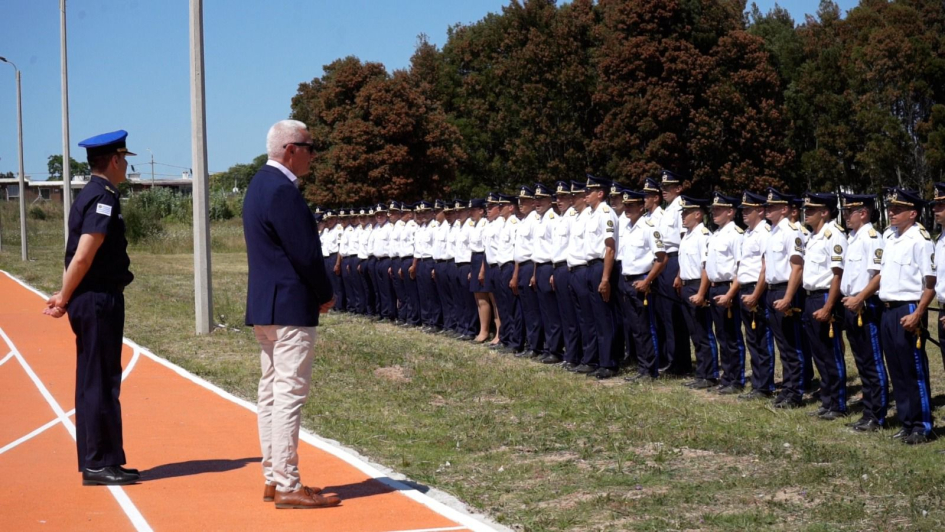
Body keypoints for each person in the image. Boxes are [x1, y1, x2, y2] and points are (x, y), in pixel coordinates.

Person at [242, 120, 339, 508]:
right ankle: (287, 484)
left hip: (268, 305)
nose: (313, 154)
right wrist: (325, 292)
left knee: (271, 393)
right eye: (310, 147)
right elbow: (304, 253)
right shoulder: (282, 190)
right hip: (289, 307)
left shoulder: (258, 185)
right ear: (290, 149)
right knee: (288, 395)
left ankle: (273, 477)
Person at [44, 130, 140, 486]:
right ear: (114, 160)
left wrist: (66, 293)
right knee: (99, 381)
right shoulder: (102, 197)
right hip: (98, 298)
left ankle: (105, 459)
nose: (127, 165)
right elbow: (84, 255)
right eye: (125, 159)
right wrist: (64, 295)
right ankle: (98, 462)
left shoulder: (94, 194)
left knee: (99, 380)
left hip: (96, 296)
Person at [878, 187, 936, 445]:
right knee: (897, 369)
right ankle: (906, 422)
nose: (892, 212)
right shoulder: (889, 236)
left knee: (913, 368)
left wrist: (919, 314)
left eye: (898, 209)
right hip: (888, 309)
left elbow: (930, 283)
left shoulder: (920, 239)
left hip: (909, 308)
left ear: (913, 213)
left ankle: (922, 426)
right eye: (891, 208)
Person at [838, 192, 887, 432]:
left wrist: (860, 298)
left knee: (872, 362)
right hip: (852, 304)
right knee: (861, 360)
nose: (846, 216)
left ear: (863, 213)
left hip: (865, 306)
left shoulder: (871, 238)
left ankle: (876, 415)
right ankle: (868, 410)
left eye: (850, 212)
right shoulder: (854, 238)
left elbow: (878, 275)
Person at [800, 192, 849, 420]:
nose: (806, 212)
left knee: (831, 354)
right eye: (806, 209)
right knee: (819, 353)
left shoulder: (834, 235)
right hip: (810, 297)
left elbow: (837, 275)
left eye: (811, 209)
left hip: (825, 297)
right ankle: (827, 400)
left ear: (825, 212)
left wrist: (829, 306)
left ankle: (838, 404)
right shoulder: (813, 236)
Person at [763, 188, 808, 409]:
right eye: (766, 207)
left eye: (771, 207)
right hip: (772, 290)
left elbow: (797, 267)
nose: (767, 210)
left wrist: (789, 297)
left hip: (785, 290)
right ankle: (788, 388)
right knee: (782, 344)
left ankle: (795, 392)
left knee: (792, 345)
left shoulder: (791, 232)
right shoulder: (771, 232)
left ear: (784, 209)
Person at [618, 189, 667, 382]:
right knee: (636, 328)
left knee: (646, 327)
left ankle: (651, 370)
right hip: (627, 281)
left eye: (631, 205)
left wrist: (647, 281)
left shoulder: (649, 227)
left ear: (641, 206)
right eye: (626, 205)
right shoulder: (628, 228)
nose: (627, 209)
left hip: (641, 281)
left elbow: (662, 259)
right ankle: (642, 367)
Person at [577, 175, 620, 379]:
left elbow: (609, 248)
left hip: (601, 267)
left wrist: (605, 278)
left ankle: (609, 362)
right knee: (591, 317)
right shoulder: (590, 214)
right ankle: (593, 359)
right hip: (589, 266)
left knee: (604, 317)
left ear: (600, 193)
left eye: (589, 191)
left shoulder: (606, 213)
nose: (585, 194)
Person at [705, 192, 747, 394]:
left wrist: (730, 294)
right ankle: (727, 376)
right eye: (713, 209)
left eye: (719, 210)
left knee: (732, 336)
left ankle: (736, 379)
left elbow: (741, 269)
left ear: (730, 212)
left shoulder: (736, 234)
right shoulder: (716, 234)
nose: (714, 213)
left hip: (728, 287)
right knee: (721, 334)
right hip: (715, 287)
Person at [736, 191, 776, 401]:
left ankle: (764, 386)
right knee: (752, 339)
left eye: (748, 210)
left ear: (760, 211)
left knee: (762, 339)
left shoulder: (764, 232)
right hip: (745, 289)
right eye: (743, 209)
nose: (744, 213)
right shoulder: (748, 233)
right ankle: (758, 384)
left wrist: (755, 294)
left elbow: (764, 267)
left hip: (756, 291)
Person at [676, 195, 717, 389]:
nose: (683, 216)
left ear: (698, 215)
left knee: (703, 332)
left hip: (697, 286)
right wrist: (678, 277)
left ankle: (709, 374)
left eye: (686, 213)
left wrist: (701, 293)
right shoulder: (687, 235)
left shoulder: (703, 235)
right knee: (694, 332)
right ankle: (701, 372)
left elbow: (705, 267)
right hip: (686, 285)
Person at [655, 169, 692, 375]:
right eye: (663, 187)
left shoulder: (681, 208)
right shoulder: (667, 209)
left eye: (668, 187)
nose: (665, 190)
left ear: (678, 188)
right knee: (666, 315)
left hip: (674, 260)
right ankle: (672, 359)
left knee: (675, 317)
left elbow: (683, 241)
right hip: (663, 260)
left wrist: (679, 273)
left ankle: (681, 362)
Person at [532, 183, 564, 363]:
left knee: (552, 313)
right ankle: (548, 346)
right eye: (536, 200)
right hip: (540, 267)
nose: (537, 203)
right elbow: (538, 250)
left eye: (541, 199)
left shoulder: (553, 219)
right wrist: (535, 273)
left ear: (549, 200)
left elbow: (555, 249)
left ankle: (556, 349)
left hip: (550, 267)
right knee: (544, 311)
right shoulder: (540, 219)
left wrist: (553, 271)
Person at [552, 181, 583, 368]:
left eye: (564, 197)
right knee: (564, 315)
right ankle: (569, 354)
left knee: (572, 316)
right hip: (558, 267)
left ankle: (574, 356)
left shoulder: (573, 217)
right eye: (558, 197)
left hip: (568, 266)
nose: (560, 200)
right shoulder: (561, 217)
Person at [512, 185, 543, 357]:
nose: (521, 204)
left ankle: (535, 347)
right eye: (519, 201)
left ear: (532, 202)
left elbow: (535, 249)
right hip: (522, 267)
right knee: (525, 309)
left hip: (531, 266)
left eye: (525, 201)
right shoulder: (524, 221)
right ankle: (528, 344)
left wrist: (534, 273)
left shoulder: (535, 220)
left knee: (533, 310)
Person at [467, 198, 492, 343]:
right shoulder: (475, 225)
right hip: (475, 260)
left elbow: (484, 249)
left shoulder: (484, 225)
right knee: (479, 298)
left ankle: (487, 331)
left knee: (487, 298)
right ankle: (483, 330)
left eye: (473, 210)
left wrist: (482, 270)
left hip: (483, 260)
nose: (471, 213)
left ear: (481, 211)